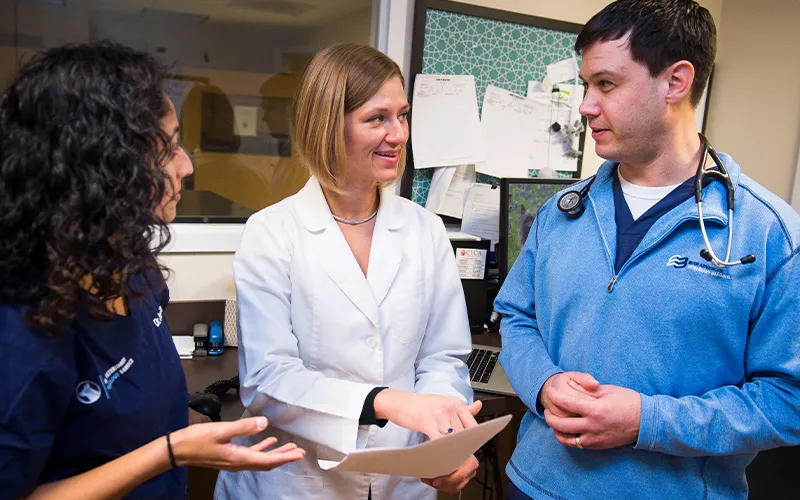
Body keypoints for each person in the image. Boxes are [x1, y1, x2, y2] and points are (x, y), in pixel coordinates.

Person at [493, 1, 800, 499]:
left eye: (606, 84)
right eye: (586, 85)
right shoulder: (561, 212)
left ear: (675, 82)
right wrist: (544, 384)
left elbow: (789, 400)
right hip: (534, 484)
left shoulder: (766, 234)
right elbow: (516, 317)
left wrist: (647, 421)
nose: (585, 106)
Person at [0, 42, 305, 499]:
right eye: (169, 148)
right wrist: (171, 451)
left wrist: (197, 428)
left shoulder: (130, 262)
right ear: (101, 164)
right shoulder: (23, 328)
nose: (187, 166)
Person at [215, 43, 481, 500]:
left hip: (404, 479)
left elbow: (442, 357)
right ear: (328, 126)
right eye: (377, 118)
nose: (398, 134)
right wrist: (386, 402)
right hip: (300, 480)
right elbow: (269, 378)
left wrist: (447, 437)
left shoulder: (425, 229)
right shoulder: (272, 232)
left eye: (403, 115)